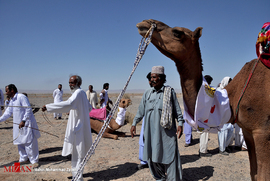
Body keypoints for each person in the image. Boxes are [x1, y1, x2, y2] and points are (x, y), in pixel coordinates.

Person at [131, 66, 184, 180]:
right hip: (151, 133)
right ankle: (160, 178)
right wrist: (134, 123)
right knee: (152, 157)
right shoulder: (147, 93)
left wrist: (180, 124)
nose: (152, 80)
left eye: (154, 77)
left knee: (170, 155)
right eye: (151, 77)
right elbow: (140, 111)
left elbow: (177, 112)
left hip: (166, 133)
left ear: (161, 78)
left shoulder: (169, 92)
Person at [42, 75, 92, 181]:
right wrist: (76, 110)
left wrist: (48, 107)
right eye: (69, 83)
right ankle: (76, 176)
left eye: (72, 83)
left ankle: (78, 178)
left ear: (78, 83)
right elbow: (89, 108)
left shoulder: (78, 93)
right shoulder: (82, 93)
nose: (70, 85)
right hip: (80, 127)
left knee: (78, 153)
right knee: (78, 153)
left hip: (78, 129)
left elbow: (68, 103)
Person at [0, 84, 40, 168]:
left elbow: (28, 109)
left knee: (29, 143)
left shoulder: (21, 97)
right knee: (20, 142)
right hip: (18, 125)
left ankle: (34, 161)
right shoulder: (12, 100)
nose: (6, 93)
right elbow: (7, 113)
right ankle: (23, 159)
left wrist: (24, 120)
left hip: (26, 123)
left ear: (12, 90)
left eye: (7, 91)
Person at [137, 72, 151, 170]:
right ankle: (144, 161)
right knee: (143, 139)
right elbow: (141, 109)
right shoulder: (147, 92)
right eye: (149, 80)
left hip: (157, 121)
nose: (150, 82)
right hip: (146, 120)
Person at [217, 77, 234, 155]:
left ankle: (225, 146)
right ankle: (222, 149)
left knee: (230, 129)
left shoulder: (228, 91)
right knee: (222, 132)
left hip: (228, 113)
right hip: (221, 114)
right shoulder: (219, 91)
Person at [198, 75, 214, 157]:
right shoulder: (204, 90)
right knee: (204, 133)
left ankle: (202, 149)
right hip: (204, 115)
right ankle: (203, 151)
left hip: (201, 114)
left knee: (203, 132)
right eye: (210, 82)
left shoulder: (199, 89)